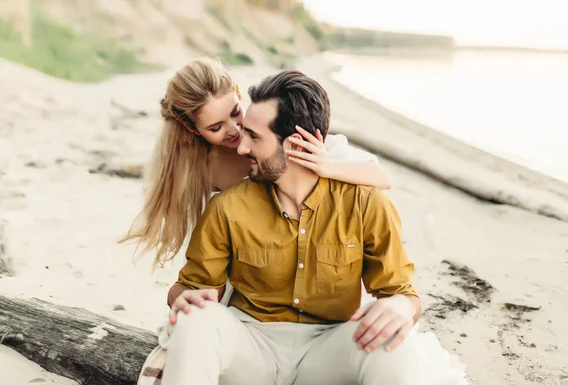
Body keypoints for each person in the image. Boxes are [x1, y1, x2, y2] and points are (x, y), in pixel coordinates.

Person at [155, 70, 467, 385]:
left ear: (294, 144)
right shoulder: (227, 208)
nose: (241, 147)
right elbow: (188, 288)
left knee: (393, 336)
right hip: (251, 351)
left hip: (327, 354)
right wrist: (185, 299)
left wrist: (401, 306)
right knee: (195, 321)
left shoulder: (364, 203)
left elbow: (401, 291)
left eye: (254, 137)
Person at [120, 57, 391, 269]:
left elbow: (382, 178)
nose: (235, 131)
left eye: (235, 112)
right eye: (216, 127)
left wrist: (327, 165)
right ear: (193, 130)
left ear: (238, 93)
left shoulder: (275, 131)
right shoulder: (202, 168)